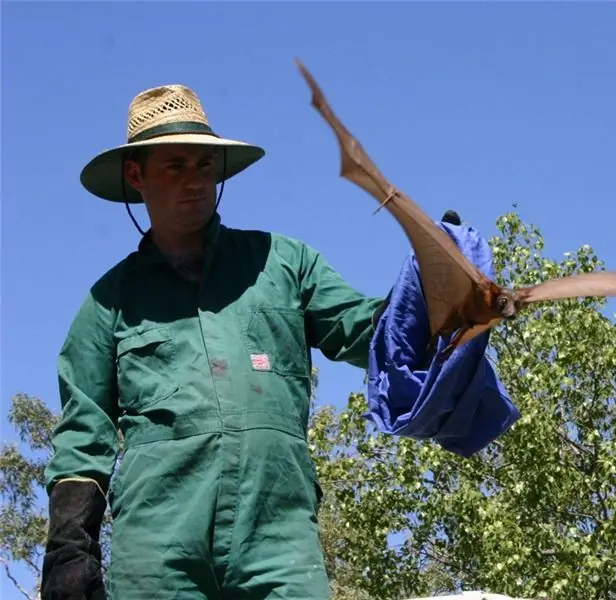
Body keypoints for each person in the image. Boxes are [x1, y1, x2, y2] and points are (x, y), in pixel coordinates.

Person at [40, 82, 515, 600]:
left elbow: (368, 332)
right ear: (137, 175)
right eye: (175, 167)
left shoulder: (284, 264)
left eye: (204, 165)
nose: (195, 182)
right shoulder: (108, 303)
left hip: (278, 537)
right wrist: (70, 546)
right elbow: (83, 439)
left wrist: (435, 301)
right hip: (157, 545)